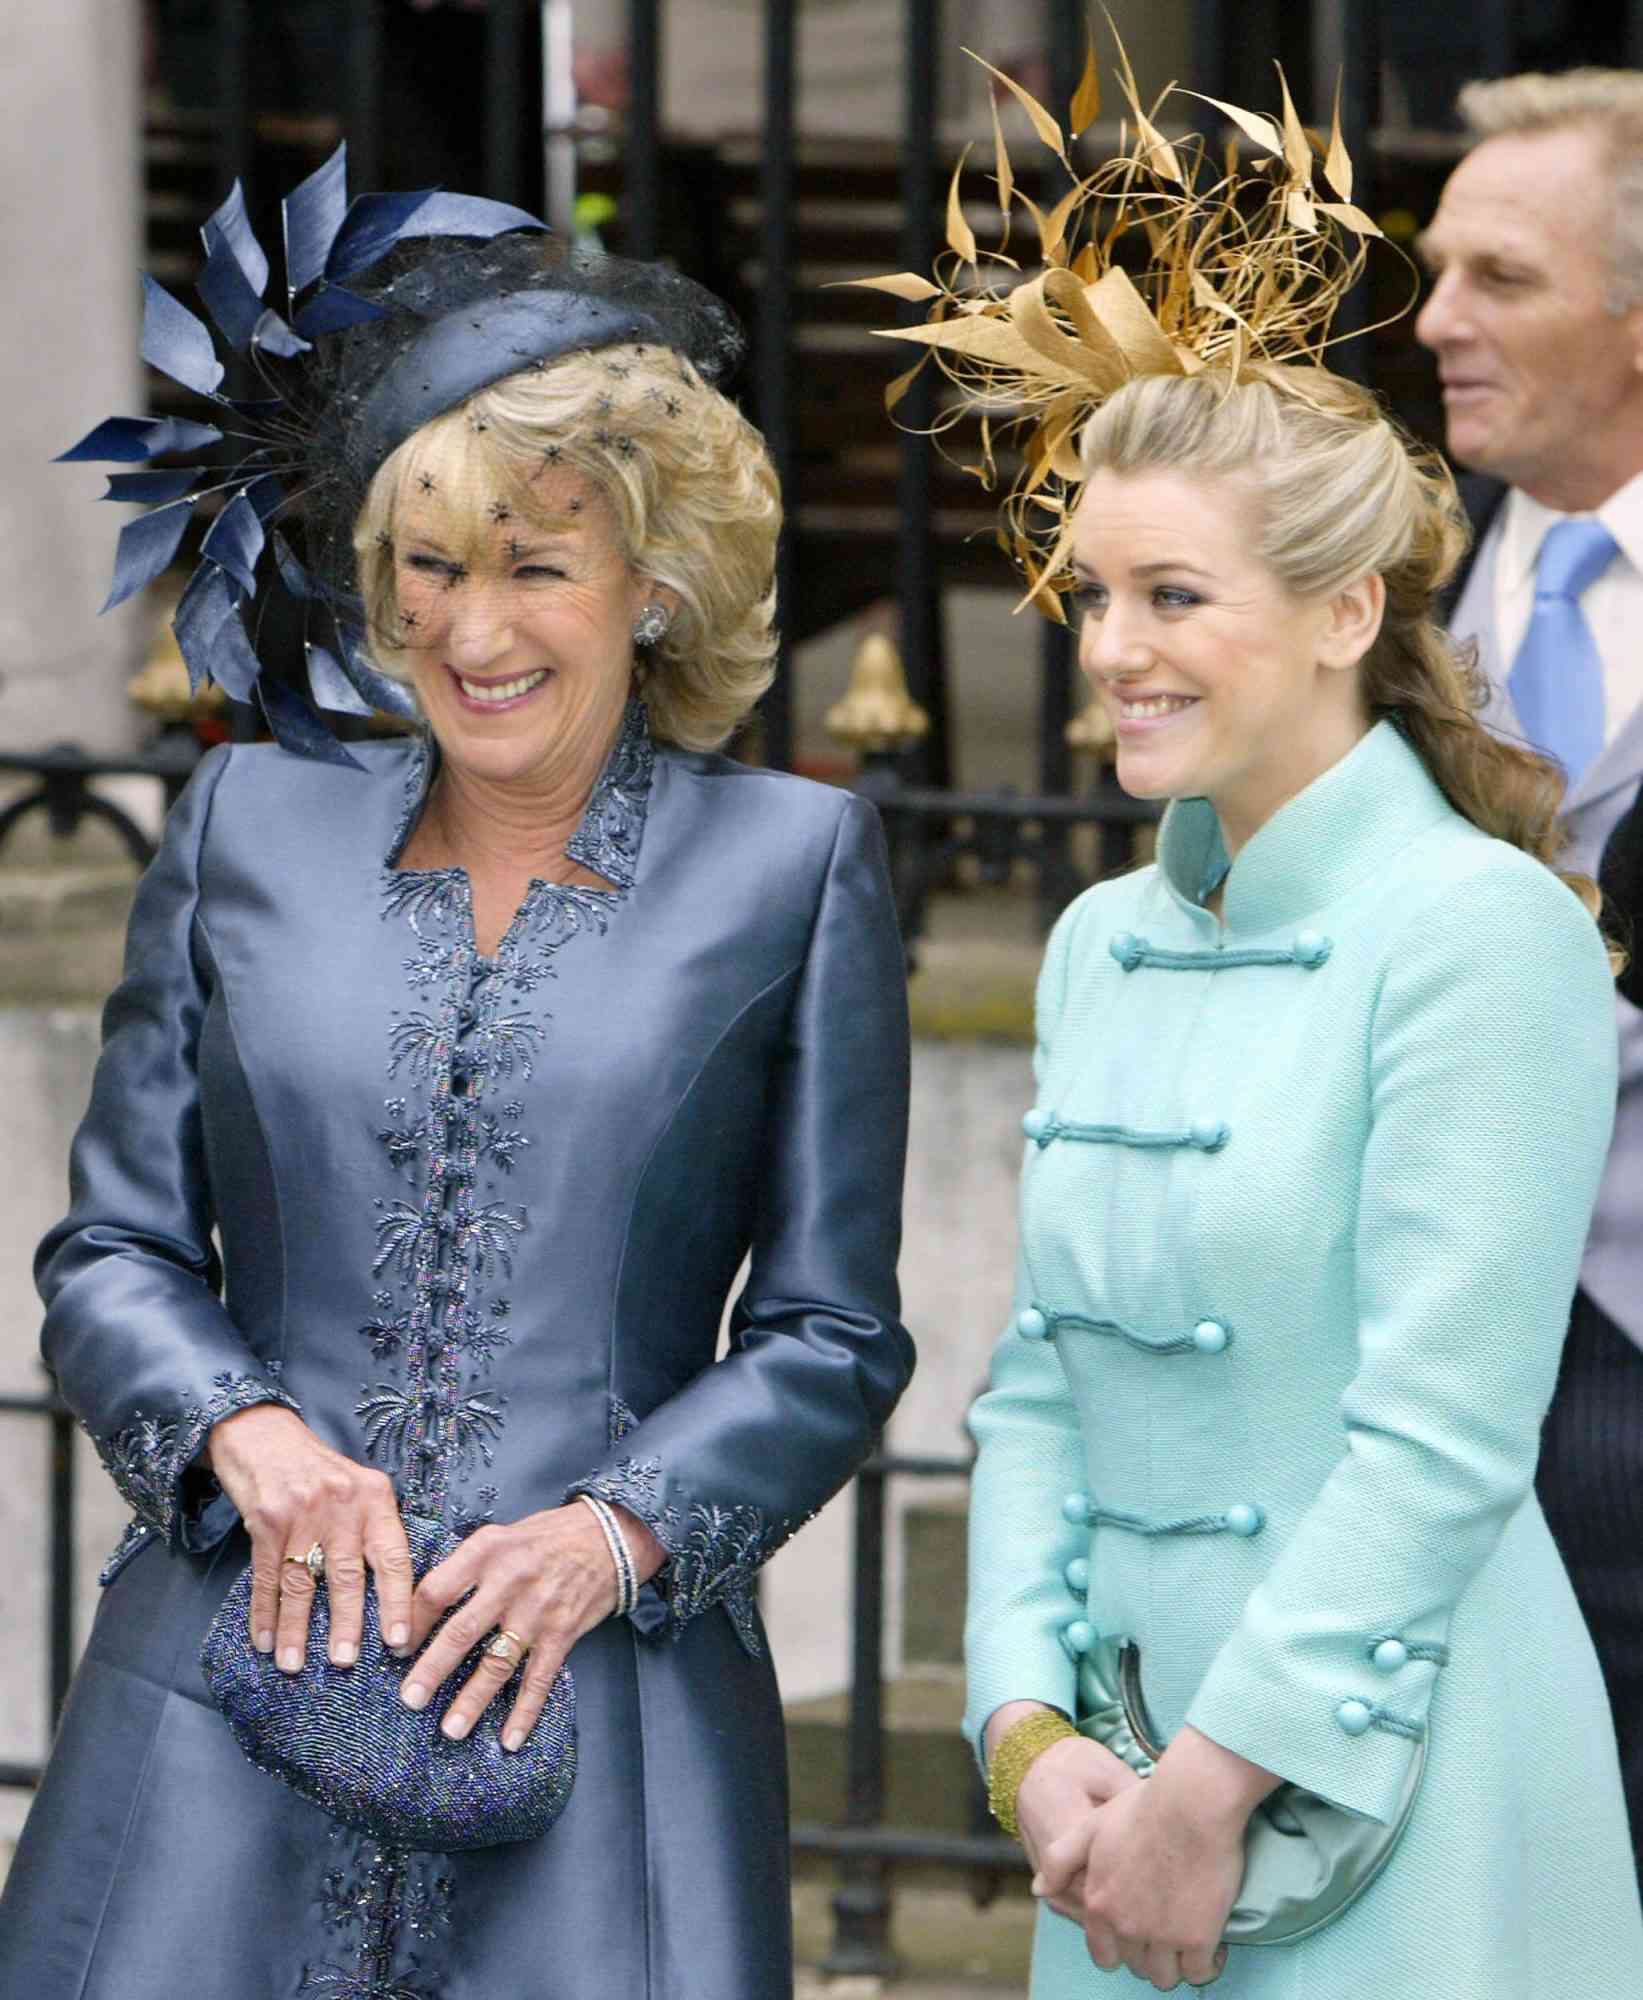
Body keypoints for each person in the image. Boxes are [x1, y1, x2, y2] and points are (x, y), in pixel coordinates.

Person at [0, 159, 913, 2000]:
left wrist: (616, 1532)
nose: (471, 631)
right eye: (430, 566)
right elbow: (110, 1256)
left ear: (655, 589)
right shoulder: (244, 822)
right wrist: (242, 1434)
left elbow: (830, 1331)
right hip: (217, 1690)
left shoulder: (793, 871)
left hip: (609, 1710)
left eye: (536, 567)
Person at [866, 53, 1643, 1996]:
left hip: (1410, 1791)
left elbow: (1445, 1446)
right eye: (1095, 593)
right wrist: (1034, 1746)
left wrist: (1206, 1794)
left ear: (1344, 613)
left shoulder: (1488, 934)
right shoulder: (1098, 940)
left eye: (1175, 594)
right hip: (1114, 1812)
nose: (1114, 648)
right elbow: (1035, 1389)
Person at [1415, 68, 1643, 1869]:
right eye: (1436, 271)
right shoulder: (1393, 610)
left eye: (1500, 277)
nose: (1435, 321)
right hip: (1438, 1382)